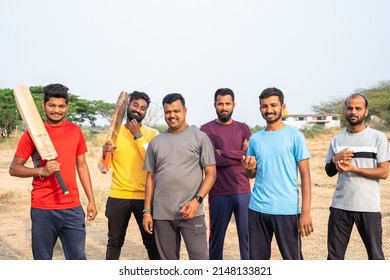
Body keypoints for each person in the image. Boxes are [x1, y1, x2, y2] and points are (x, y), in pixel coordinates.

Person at [9, 83, 97, 260]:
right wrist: (41, 170)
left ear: (67, 107)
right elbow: (14, 169)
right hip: (43, 208)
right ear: (43, 106)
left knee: (78, 260)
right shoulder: (32, 134)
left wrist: (91, 200)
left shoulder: (75, 131)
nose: (56, 110)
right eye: (52, 105)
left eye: (61, 106)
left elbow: (82, 166)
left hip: (72, 207)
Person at [241, 87, 314, 260]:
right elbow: (251, 174)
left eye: (273, 105)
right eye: (264, 106)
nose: (269, 110)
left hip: (286, 209)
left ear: (283, 106)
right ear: (260, 109)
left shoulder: (295, 136)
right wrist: (248, 167)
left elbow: (305, 177)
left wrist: (305, 212)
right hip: (257, 208)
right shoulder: (255, 139)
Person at [142, 93, 217, 260]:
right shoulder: (156, 142)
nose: (172, 115)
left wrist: (197, 200)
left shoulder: (200, 137)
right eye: (168, 111)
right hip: (162, 215)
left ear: (185, 111)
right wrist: (147, 211)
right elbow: (150, 178)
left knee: (200, 261)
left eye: (176, 111)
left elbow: (211, 174)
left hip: (191, 212)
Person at [325, 93, 389, 260]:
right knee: (334, 258)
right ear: (345, 110)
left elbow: (383, 172)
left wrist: (353, 169)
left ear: (366, 111)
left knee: (375, 257)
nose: (353, 111)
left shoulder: (378, 138)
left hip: (368, 207)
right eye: (350, 108)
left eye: (358, 108)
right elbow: (329, 171)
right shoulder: (337, 139)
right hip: (340, 206)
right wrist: (334, 160)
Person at [99, 91, 160, 260]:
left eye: (143, 108)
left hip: (145, 198)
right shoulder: (114, 134)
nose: (138, 110)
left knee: (151, 242)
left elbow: (155, 163)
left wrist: (138, 136)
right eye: (135, 105)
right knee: (114, 242)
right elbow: (101, 168)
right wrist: (105, 155)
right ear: (127, 106)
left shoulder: (153, 134)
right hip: (118, 196)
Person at [200, 88, 252, 260]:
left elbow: (250, 157)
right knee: (216, 239)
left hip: (243, 191)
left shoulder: (243, 128)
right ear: (214, 105)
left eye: (227, 104)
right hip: (218, 193)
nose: (224, 107)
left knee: (247, 238)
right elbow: (210, 161)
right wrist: (239, 155)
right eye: (220, 103)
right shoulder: (206, 129)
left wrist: (224, 153)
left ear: (234, 105)